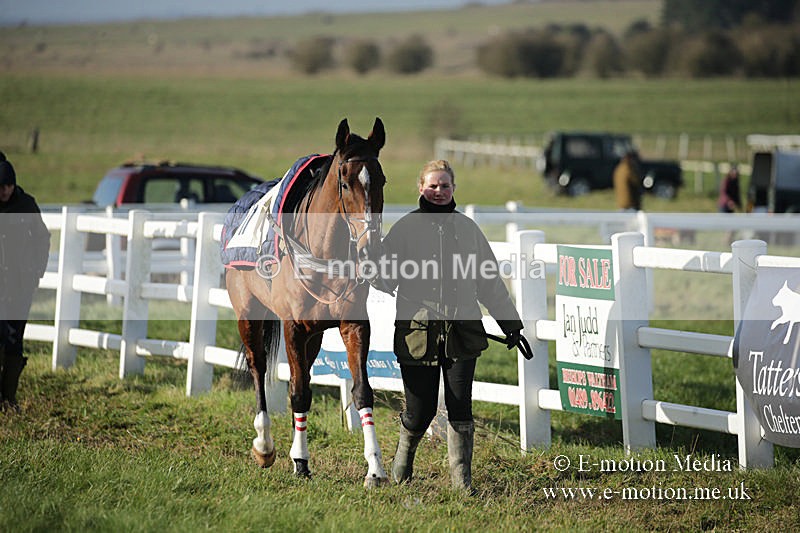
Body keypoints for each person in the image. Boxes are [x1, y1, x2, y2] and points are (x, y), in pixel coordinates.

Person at [380, 160, 524, 492]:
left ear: (454, 189)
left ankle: (462, 482)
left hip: (462, 334)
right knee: (420, 410)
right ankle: (402, 466)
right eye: (433, 185)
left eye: (445, 185)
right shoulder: (404, 228)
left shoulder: (468, 229)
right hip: (418, 334)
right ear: (420, 188)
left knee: (460, 406)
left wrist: (511, 325)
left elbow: (490, 282)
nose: (439, 191)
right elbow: (383, 279)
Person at [0, 152, 50, 411]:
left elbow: (42, 238)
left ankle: (9, 398)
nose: (5, 191)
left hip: (20, 285)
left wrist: (37, 271)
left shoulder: (26, 205)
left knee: (15, 340)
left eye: (8, 185)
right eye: (1, 186)